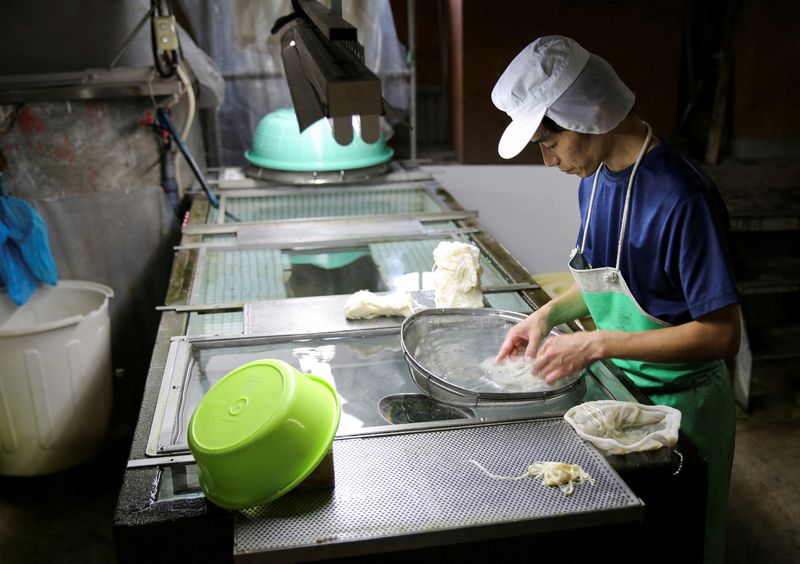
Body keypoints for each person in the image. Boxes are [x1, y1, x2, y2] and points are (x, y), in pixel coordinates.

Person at [491, 36, 739, 564]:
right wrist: (545, 315)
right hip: (625, 390)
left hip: (684, 406)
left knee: (684, 540)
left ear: (585, 116)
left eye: (548, 143)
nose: (548, 160)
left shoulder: (682, 198)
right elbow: (607, 281)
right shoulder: (596, 180)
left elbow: (722, 335)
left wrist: (597, 344)